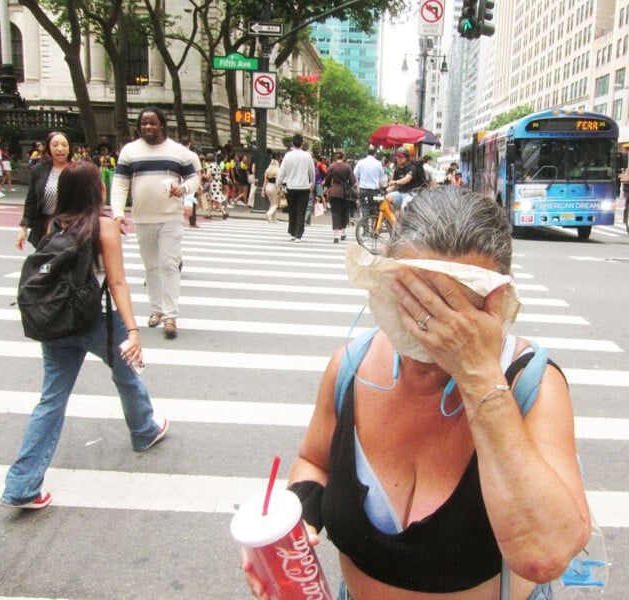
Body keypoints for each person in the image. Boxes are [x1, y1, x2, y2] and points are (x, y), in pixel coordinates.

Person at [241, 186, 590, 600]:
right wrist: (292, 523)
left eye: (459, 309)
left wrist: (478, 375)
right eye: (415, 300)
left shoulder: (531, 386)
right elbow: (314, 462)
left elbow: (545, 556)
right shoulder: (350, 366)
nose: (436, 332)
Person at [0, 161, 168, 511]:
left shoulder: (54, 224)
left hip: (57, 320)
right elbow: (117, 283)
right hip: (97, 320)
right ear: (97, 191)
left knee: (51, 400)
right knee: (126, 375)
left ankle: (21, 486)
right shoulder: (104, 226)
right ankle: (144, 431)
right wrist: (133, 330)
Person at [110, 106, 202, 340]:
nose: (148, 127)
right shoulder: (129, 151)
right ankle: (156, 310)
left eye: (152, 123)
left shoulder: (178, 152)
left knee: (169, 265)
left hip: (171, 217)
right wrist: (118, 213)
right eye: (144, 123)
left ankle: (171, 316)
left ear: (162, 125)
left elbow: (194, 176)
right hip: (142, 217)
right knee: (150, 266)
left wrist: (184, 189)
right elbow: (120, 183)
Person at [16, 131, 74, 250]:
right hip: (44, 227)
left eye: (64, 145)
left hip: (70, 228)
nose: (60, 149)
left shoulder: (78, 170)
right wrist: (24, 228)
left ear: (69, 148)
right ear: (48, 149)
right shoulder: (39, 170)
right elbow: (31, 200)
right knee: (43, 265)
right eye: (55, 145)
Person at [276, 133, 315, 243]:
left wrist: (278, 184)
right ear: (302, 144)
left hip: (291, 186)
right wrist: (312, 183)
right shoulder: (307, 156)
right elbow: (312, 171)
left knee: (292, 210)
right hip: (304, 187)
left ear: (292, 143)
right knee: (301, 211)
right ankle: (298, 234)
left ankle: (292, 232)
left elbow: (282, 171)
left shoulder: (288, 156)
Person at [325, 150, 357, 244]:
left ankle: (336, 234)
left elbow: (327, 179)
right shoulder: (347, 166)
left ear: (335, 157)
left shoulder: (332, 166)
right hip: (344, 192)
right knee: (344, 212)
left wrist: (326, 187)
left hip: (334, 191)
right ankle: (343, 232)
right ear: (343, 157)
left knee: (335, 213)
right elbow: (352, 181)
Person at [384, 147, 421, 213]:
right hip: (400, 193)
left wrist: (395, 182)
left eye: (401, 157)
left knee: (404, 208)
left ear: (406, 158)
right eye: (397, 157)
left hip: (411, 193)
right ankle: (394, 218)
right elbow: (394, 186)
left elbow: (407, 179)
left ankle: (403, 221)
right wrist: (385, 190)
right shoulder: (397, 169)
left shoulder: (411, 167)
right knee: (386, 199)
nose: (399, 159)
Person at [354, 146, 385, 223]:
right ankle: (374, 230)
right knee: (375, 209)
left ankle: (366, 229)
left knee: (364, 208)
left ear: (366, 153)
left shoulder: (361, 162)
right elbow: (382, 175)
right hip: (375, 190)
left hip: (363, 189)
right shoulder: (378, 163)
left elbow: (355, 174)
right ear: (375, 154)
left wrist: (359, 183)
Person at [204, 153, 229, 220]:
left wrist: (203, 175)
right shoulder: (217, 165)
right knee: (211, 199)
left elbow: (208, 176)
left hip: (213, 184)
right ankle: (209, 214)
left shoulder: (210, 166)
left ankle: (224, 213)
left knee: (215, 199)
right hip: (218, 183)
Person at [263, 158, 281, 223]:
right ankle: (269, 213)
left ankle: (273, 218)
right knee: (275, 203)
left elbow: (265, 181)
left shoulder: (267, 170)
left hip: (268, 186)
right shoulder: (278, 170)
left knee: (272, 203)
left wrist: (263, 190)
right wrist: (279, 189)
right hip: (274, 187)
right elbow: (277, 181)